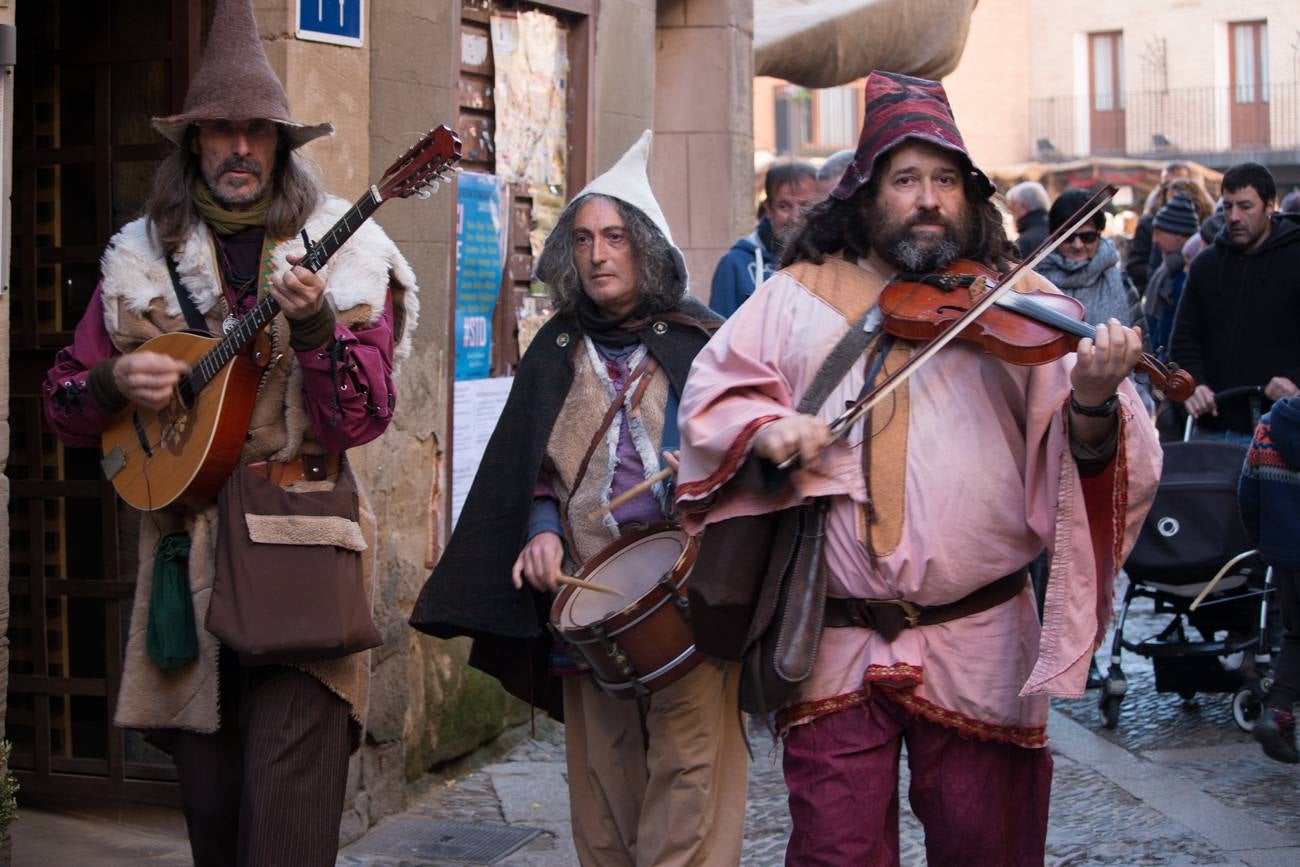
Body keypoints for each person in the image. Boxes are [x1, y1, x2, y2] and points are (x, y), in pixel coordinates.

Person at [674, 70, 1162, 865]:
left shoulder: (1020, 303)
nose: (928, 197)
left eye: (944, 179)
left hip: (981, 635)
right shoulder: (796, 296)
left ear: (970, 196)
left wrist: (1097, 400)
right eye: (906, 179)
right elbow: (712, 401)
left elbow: (1097, 465)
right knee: (835, 850)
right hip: (834, 640)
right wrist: (767, 430)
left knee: (988, 848)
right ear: (866, 193)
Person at [41, 1, 418, 863]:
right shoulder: (136, 261)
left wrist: (318, 332)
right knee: (212, 815)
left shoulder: (346, 255)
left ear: (282, 144)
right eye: (220, 131)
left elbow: (364, 417)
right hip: (189, 565)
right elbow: (64, 406)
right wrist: (111, 380)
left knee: (283, 827)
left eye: (257, 130)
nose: (239, 147)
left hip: (302, 555)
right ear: (194, 144)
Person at [410, 131, 746, 867]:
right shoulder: (556, 348)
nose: (598, 254)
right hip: (590, 601)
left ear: (647, 247)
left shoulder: (704, 343)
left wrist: (706, 474)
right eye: (585, 238)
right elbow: (531, 470)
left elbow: (747, 452)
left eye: (616, 236)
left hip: (688, 598)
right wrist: (539, 530)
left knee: (692, 777)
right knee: (603, 790)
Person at [1171, 162, 1300, 443]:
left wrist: (1295, 381)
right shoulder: (1206, 265)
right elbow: (1184, 337)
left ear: (1269, 206)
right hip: (1216, 426)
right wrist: (1195, 384)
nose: (1234, 217)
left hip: (1285, 426)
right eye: (1228, 206)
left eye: (1245, 206)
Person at [1239, 396, 1300, 764]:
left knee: (1296, 636)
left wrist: (1265, 544)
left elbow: (1248, 494)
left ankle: (1277, 714)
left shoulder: (1268, 427)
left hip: (1286, 562)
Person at [709, 161, 816, 316]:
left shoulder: (830, 259)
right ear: (768, 209)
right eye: (784, 206)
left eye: (806, 205)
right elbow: (719, 332)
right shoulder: (735, 264)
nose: (795, 217)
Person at [1140, 190, 1200, 357]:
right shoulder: (1166, 268)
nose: (1154, 240)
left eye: (1159, 233)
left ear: (1179, 235)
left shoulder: (1185, 275)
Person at [1007, 181, 1051, 258]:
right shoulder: (1061, 231)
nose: (1012, 215)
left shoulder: (1023, 243)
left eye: (1012, 209)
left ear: (1024, 207)